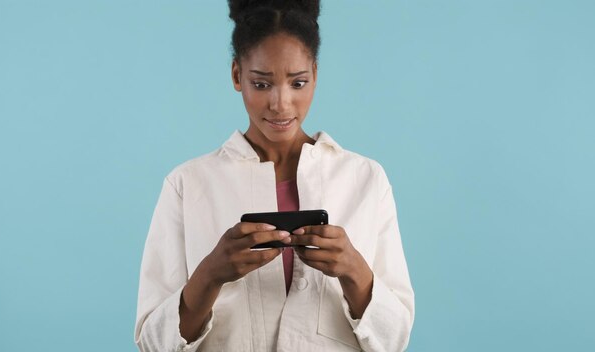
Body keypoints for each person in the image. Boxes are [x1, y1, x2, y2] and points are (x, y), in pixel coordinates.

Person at [134, 1, 414, 351]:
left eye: (298, 83)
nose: (281, 103)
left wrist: (354, 270)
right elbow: (152, 343)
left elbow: (396, 339)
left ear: (315, 73)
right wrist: (209, 275)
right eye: (262, 84)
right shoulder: (188, 184)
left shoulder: (365, 179)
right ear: (237, 76)